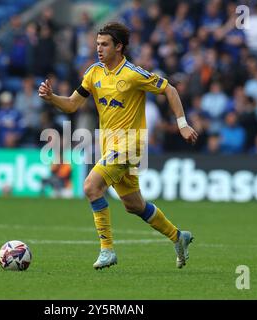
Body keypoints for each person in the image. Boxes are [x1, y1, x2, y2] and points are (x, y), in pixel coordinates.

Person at [38, 22, 198, 270]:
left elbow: (170, 89)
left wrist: (182, 124)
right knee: (133, 205)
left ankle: (107, 249)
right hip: (109, 147)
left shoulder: (133, 74)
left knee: (91, 186)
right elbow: (71, 105)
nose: (99, 49)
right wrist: (51, 98)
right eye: (97, 44)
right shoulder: (93, 73)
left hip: (130, 146)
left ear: (119, 47)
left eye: (104, 44)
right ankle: (179, 237)